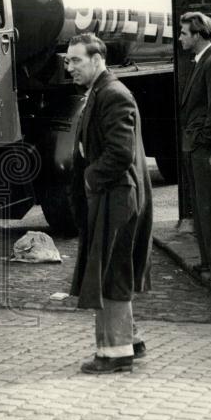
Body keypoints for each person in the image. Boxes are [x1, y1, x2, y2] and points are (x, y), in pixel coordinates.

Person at [66, 34, 152, 374]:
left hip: (117, 196)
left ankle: (115, 354)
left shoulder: (114, 94)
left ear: (97, 59)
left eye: (76, 61)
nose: (70, 68)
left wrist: (89, 177)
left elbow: (120, 152)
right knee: (111, 267)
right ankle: (131, 339)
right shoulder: (103, 91)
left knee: (111, 270)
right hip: (112, 194)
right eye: (68, 61)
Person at [177, 11, 211, 281]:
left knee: (210, 205)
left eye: (184, 33)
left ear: (198, 35)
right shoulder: (202, 61)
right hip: (195, 146)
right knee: (200, 206)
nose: (180, 38)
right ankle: (209, 261)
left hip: (203, 148)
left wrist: (203, 140)